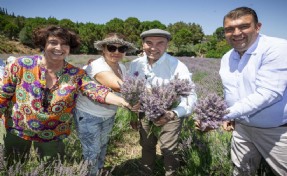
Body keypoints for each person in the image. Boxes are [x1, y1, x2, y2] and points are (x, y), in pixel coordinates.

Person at [0, 25, 131, 165]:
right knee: (13, 165)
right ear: (43, 43)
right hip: (18, 129)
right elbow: (4, 94)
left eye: (64, 44)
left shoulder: (76, 74)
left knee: (51, 169)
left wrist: (123, 102)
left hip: (53, 133)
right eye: (53, 42)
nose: (59, 48)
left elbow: (95, 90)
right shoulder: (21, 65)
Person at [219, 7, 287, 175]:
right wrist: (231, 115)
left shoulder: (277, 48)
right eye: (229, 29)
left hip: (276, 131)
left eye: (244, 26)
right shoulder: (227, 57)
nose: (236, 33)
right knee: (242, 171)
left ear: (258, 27)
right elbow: (230, 89)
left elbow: (268, 93)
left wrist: (224, 114)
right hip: (242, 129)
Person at [129, 29, 197, 176]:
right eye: (149, 43)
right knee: (147, 146)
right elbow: (131, 90)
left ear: (167, 45)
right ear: (142, 44)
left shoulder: (177, 66)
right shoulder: (135, 64)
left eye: (160, 43)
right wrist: (133, 114)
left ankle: (171, 173)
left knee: (169, 149)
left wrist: (172, 113)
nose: (154, 47)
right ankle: (146, 172)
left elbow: (190, 97)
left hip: (169, 112)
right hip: (144, 113)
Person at [74, 33, 137, 175]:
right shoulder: (96, 66)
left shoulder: (121, 67)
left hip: (108, 114)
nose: (116, 52)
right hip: (89, 115)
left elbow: (128, 93)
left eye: (121, 49)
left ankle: (100, 170)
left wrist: (133, 115)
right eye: (112, 48)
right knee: (92, 151)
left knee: (102, 146)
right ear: (103, 49)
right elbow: (120, 86)